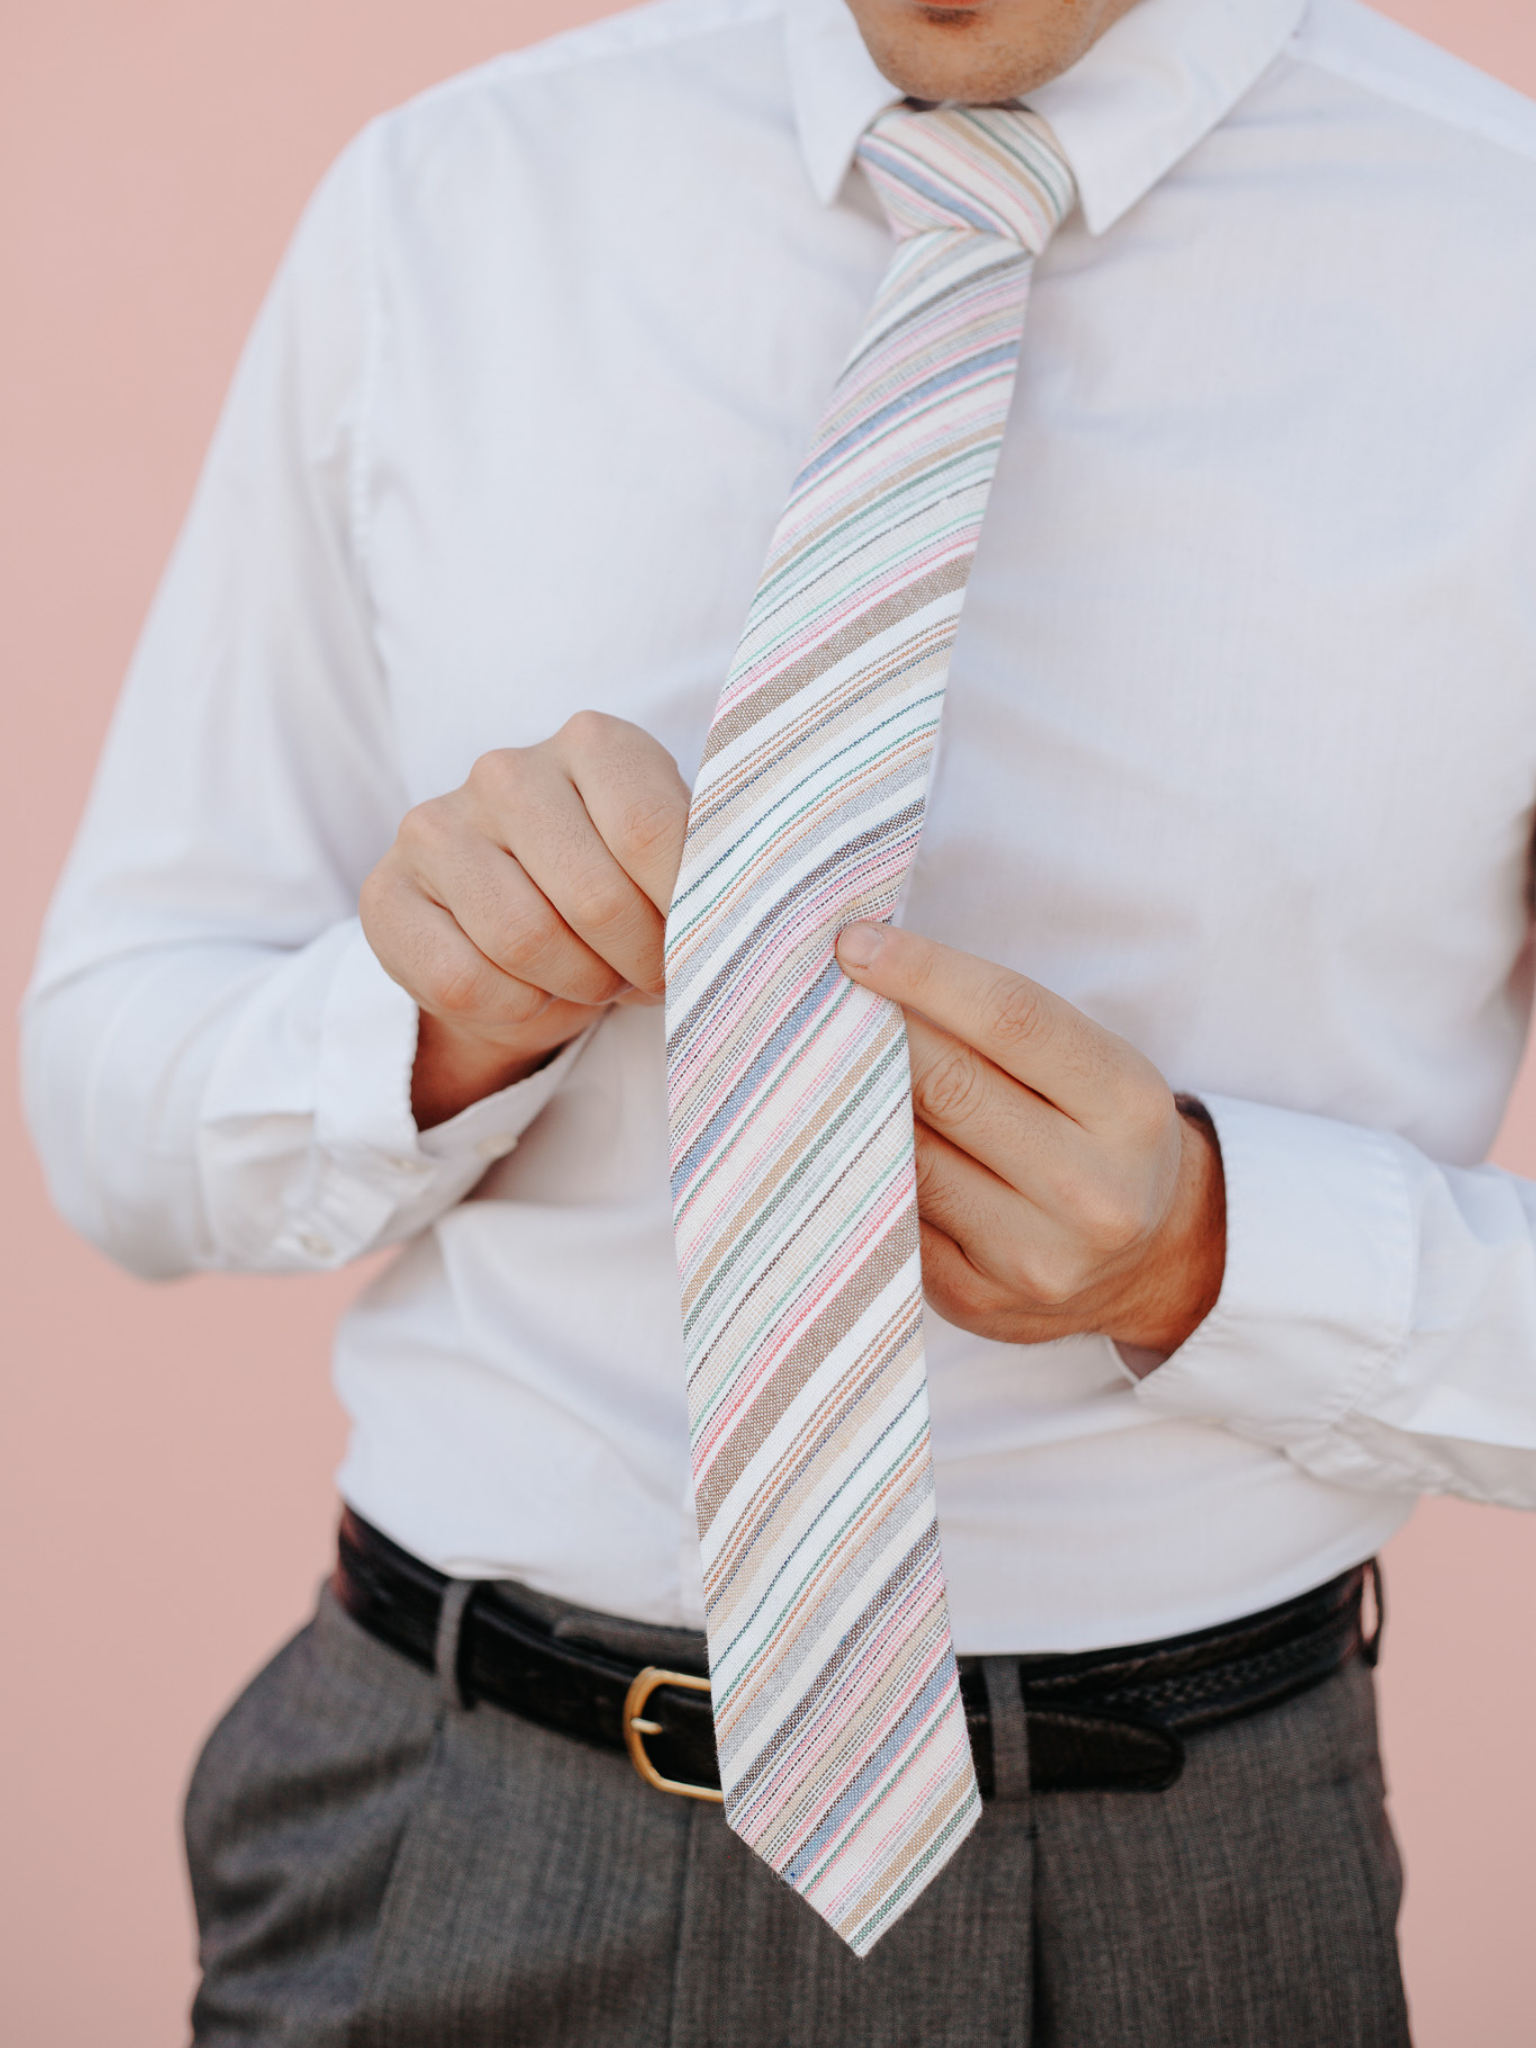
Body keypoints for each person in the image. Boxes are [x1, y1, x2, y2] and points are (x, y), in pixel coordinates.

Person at [23, 0, 1536, 2034]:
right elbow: (110, 1107)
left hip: (1185, 1892)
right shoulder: (456, 207)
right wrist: (422, 1021)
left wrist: (1217, 1250)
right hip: (452, 1827)